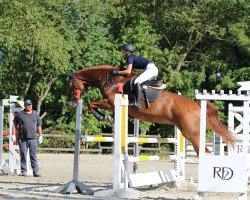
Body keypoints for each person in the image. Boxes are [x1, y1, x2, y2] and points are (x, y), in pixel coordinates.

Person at [111, 44, 158, 109]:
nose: (122, 52)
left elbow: (128, 72)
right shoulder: (132, 57)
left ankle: (138, 103)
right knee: (140, 83)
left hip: (151, 69)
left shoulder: (129, 57)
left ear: (127, 52)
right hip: (152, 69)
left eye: (123, 51)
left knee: (137, 81)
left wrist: (117, 72)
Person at [12, 99, 43, 177]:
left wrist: (40, 135)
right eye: (28, 105)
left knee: (33, 155)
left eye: (30, 105)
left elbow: (39, 125)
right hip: (22, 138)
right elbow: (14, 125)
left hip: (33, 138)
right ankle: (24, 171)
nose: (29, 106)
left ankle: (35, 172)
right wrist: (13, 135)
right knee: (23, 155)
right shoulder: (20, 114)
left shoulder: (36, 114)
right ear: (25, 106)